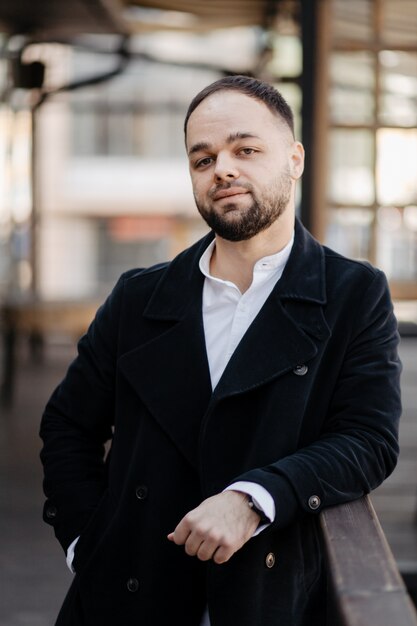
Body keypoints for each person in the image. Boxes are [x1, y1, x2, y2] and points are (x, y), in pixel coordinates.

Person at [40, 75, 401, 626]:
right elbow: (68, 425)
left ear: (295, 159)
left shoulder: (353, 293)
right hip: (128, 596)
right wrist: (86, 543)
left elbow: (368, 440)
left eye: (246, 149)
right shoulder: (140, 296)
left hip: (266, 593)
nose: (223, 169)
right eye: (202, 159)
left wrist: (254, 498)